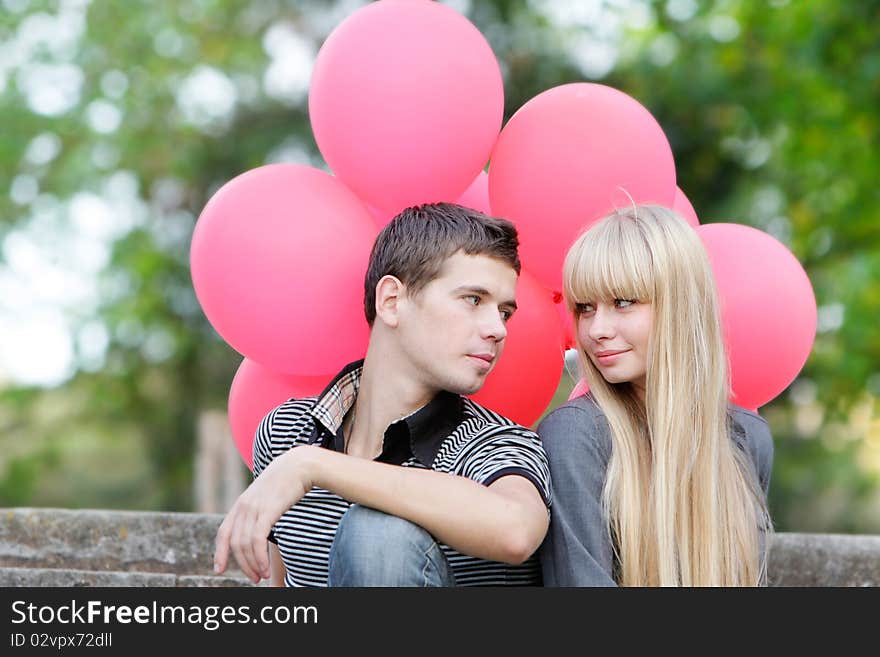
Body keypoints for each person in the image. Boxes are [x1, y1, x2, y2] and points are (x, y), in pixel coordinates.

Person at [213, 202, 550, 587]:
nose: (497, 329)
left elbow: (515, 529)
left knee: (377, 534)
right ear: (392, 301)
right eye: (473, 300)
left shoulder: (496, 443)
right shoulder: (285, 434)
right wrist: (300, 460)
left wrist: (313, 467)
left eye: (505, 311)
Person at [538, 204, 773, 587]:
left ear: (680, 305)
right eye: (584, 308)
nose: (596, 329)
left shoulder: (747, 438)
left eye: (623, 302)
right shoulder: (576, 436)